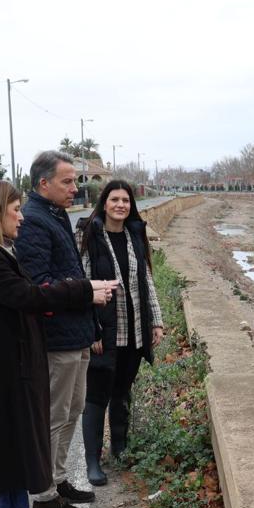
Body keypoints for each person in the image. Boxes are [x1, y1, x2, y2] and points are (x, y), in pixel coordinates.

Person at [0, 180, 117, 508]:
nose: (21, 218)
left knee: (15, 450)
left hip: (11, 368)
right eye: (14, 210)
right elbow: (29, 297)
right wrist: (83, 290)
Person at [15, 151, 104, 508]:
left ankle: (60, 478)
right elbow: (40, 285)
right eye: (67, 181)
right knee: (55, 414)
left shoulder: (55, 215)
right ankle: (46, 494)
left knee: (73, 410)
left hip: (77, 333)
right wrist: (86, 291)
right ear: (43, 184)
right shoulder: (35, 221)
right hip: (58, 338)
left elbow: (66, 269)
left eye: (76, 180)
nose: (75, 187)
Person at [80, 180, 164, 485]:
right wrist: (93, 331)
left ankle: (120, 448)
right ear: (104, 203)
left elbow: (147, 281)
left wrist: (156, 320)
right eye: (114, 199)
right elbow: (84, 285)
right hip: (104, 330)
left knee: (122, 389)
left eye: (125, 200)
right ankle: (93, 461)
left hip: (134, 329)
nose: (120, 205)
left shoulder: (135, 235)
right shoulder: (91, 236)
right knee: (97, 395)